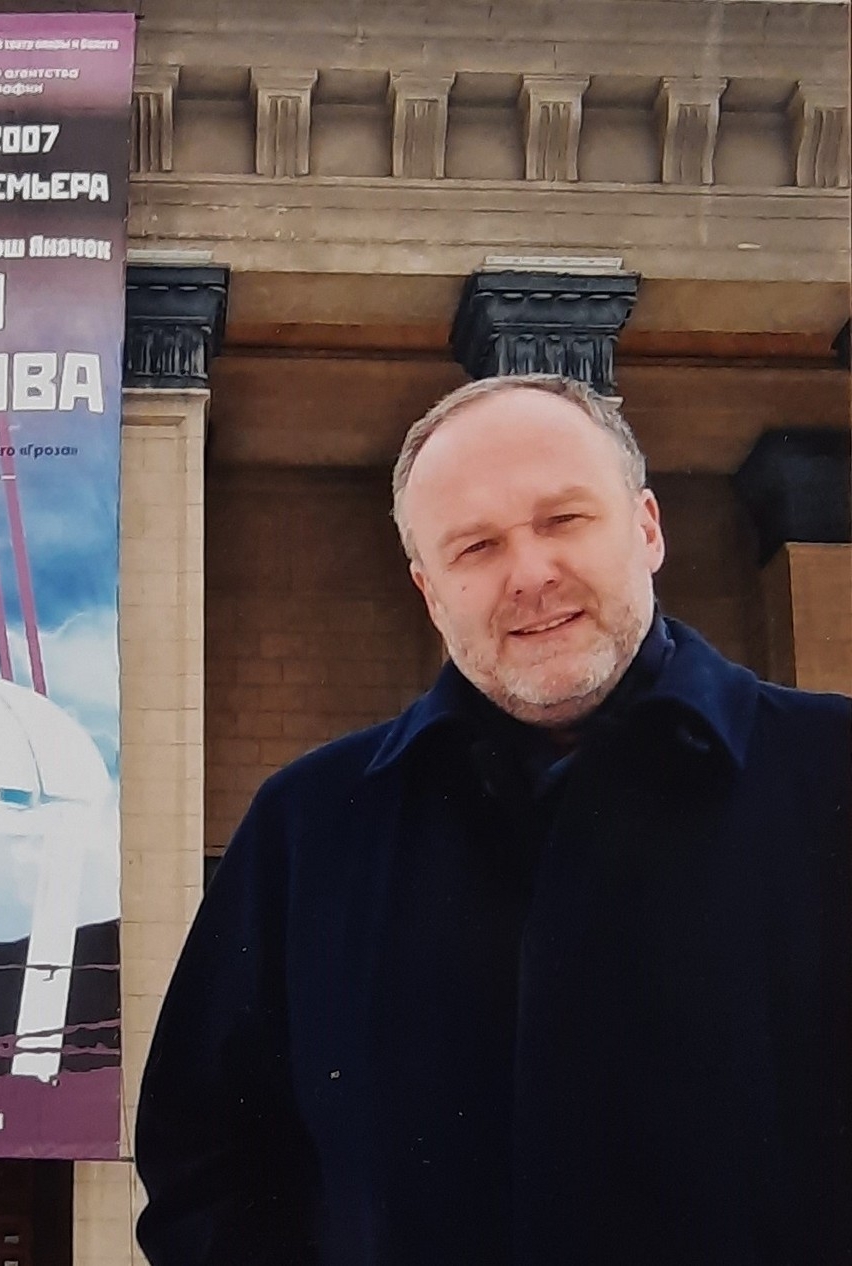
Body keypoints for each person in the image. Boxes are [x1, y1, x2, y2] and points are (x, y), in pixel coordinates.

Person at [134, 374, 852, 1266]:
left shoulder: (831, 774)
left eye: (564, 519)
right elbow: (206, 1165)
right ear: (430, 591)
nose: (531, 575)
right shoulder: (309, 828)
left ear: (647, 527)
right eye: (476, 546)